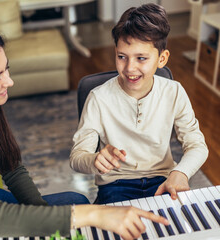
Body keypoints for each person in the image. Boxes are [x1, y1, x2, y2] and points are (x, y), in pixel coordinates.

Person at [0, 21, 168, 240]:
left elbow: (13, 170)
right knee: (81, 212)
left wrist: (44, 223)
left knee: (74, 199)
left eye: (6, 70)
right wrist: (93, 215)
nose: (10, 81)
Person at [70, 3, 209, 205]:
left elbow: (197, 145)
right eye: (121, 57)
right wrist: (94, 159)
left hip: (162, 180)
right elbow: (77, 157)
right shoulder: (98, 98)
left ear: (162, 59)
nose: (129, 68)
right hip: (116, 184)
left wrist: (180, 172)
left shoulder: (174, 91)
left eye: (141, 58)